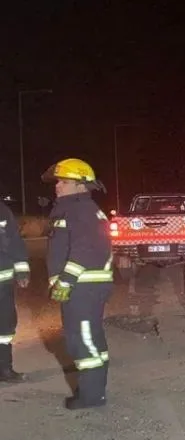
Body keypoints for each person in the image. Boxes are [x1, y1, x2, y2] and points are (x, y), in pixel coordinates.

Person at [43, 158, 114, 409]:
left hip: (82, 287)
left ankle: (92, 397)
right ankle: (94, 391)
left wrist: (66, 280)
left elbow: (84, 249)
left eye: (64, 181)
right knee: (89, 338)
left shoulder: (79, 210)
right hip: (85, 287)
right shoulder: (75, 208)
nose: (57, 186)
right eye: (58, 182)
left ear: (81, 185)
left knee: (81, 339)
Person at [0, 200, 31, 382]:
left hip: (3, 283)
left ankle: (4, 368)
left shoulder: (2, 211)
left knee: (5, 326)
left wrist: (22, 270)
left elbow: (15, 242)